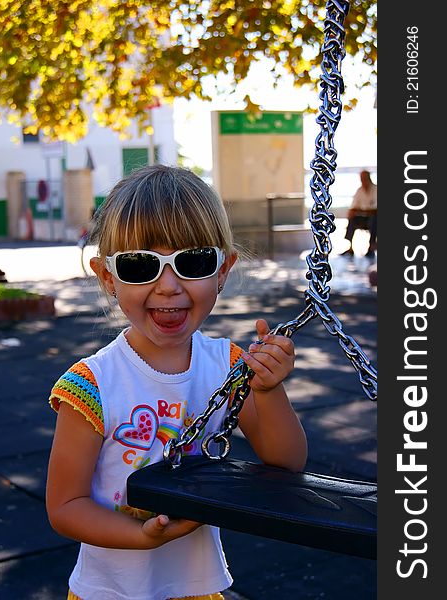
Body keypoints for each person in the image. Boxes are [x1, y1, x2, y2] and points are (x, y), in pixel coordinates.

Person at [46, 164, 307, 600]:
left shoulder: (227, 366)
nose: (168, 286)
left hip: (196, 590)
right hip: (109, 592)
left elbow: (286, 463)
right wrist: (143, 536)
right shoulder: (91, 384)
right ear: (108, 277)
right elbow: (65, 506)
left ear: (222, 271)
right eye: (139, 266)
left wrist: (268, 389)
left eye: (193, 261)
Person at [341, 170, 377, 257]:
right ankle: (350, 248)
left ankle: (371, 247)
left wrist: (360, 211)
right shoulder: (359, 191)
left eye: (364, 178)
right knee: (352, 219)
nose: (363, 180)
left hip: (374, 218)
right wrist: (355, 212)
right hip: (364, 218)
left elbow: (375, 211)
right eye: (361, 178)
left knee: (374, 219)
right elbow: (353, 207)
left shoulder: (376, 189)